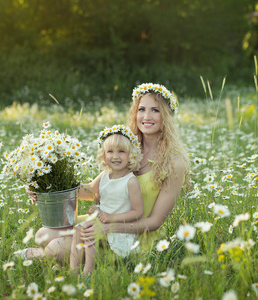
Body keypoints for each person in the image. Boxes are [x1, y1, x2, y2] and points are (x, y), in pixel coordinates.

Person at [18, 82, 190, 263]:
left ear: (167, 115)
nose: (147, 116)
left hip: (134, 235)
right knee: (43, 235)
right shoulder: (125, 148)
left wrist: (109, 229)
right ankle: (58, 253)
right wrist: (44, 188)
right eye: (141, 109)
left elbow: (155, 222)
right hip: (104, 223)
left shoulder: (173, 162)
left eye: (155, 110)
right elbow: (91, 190)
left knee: (55, 248)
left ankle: (40, 255)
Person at [70, 125, 143, 274]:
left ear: (131, 155)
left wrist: (112, 217)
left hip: (119, 226)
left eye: (121, 151)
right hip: (102, 221)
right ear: (104, 155)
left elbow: (138, 212)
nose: (115, 156)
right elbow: (98, 199)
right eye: (110, 151)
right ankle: (73, 269)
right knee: (78, 230)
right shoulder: (104, 176)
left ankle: (87, 272)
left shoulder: (130, 181)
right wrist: (95, 208)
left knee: (90, 232)